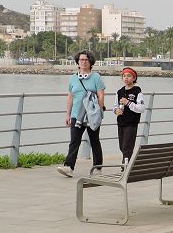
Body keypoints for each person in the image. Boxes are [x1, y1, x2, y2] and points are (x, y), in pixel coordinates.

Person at [58, 50, 105, 178]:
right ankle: (69, 167)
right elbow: (70, 97)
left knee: (94, 141)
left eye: (86, 60)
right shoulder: (73, 78)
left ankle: (98, 167)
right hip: (76, 115)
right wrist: (68, 115)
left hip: (92, 115)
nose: (83, 62)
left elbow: (101, 95)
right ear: (78, 62)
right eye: (81, 60)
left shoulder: (96, 77)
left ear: (91, 62)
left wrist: (99, 111)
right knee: (74, 141)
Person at [114, 67, 146, 167]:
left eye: (129, 76)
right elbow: (115, 106)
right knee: (122, 147)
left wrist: (128, 103)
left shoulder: (138, 92)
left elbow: (141, 108)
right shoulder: (119, 92)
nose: (126, 78)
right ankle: (129, 164)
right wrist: (116, 111)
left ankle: (125, 167)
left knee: (127, 146)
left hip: (131, 123)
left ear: (134, 78)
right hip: (121, 122)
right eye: (124, 76)